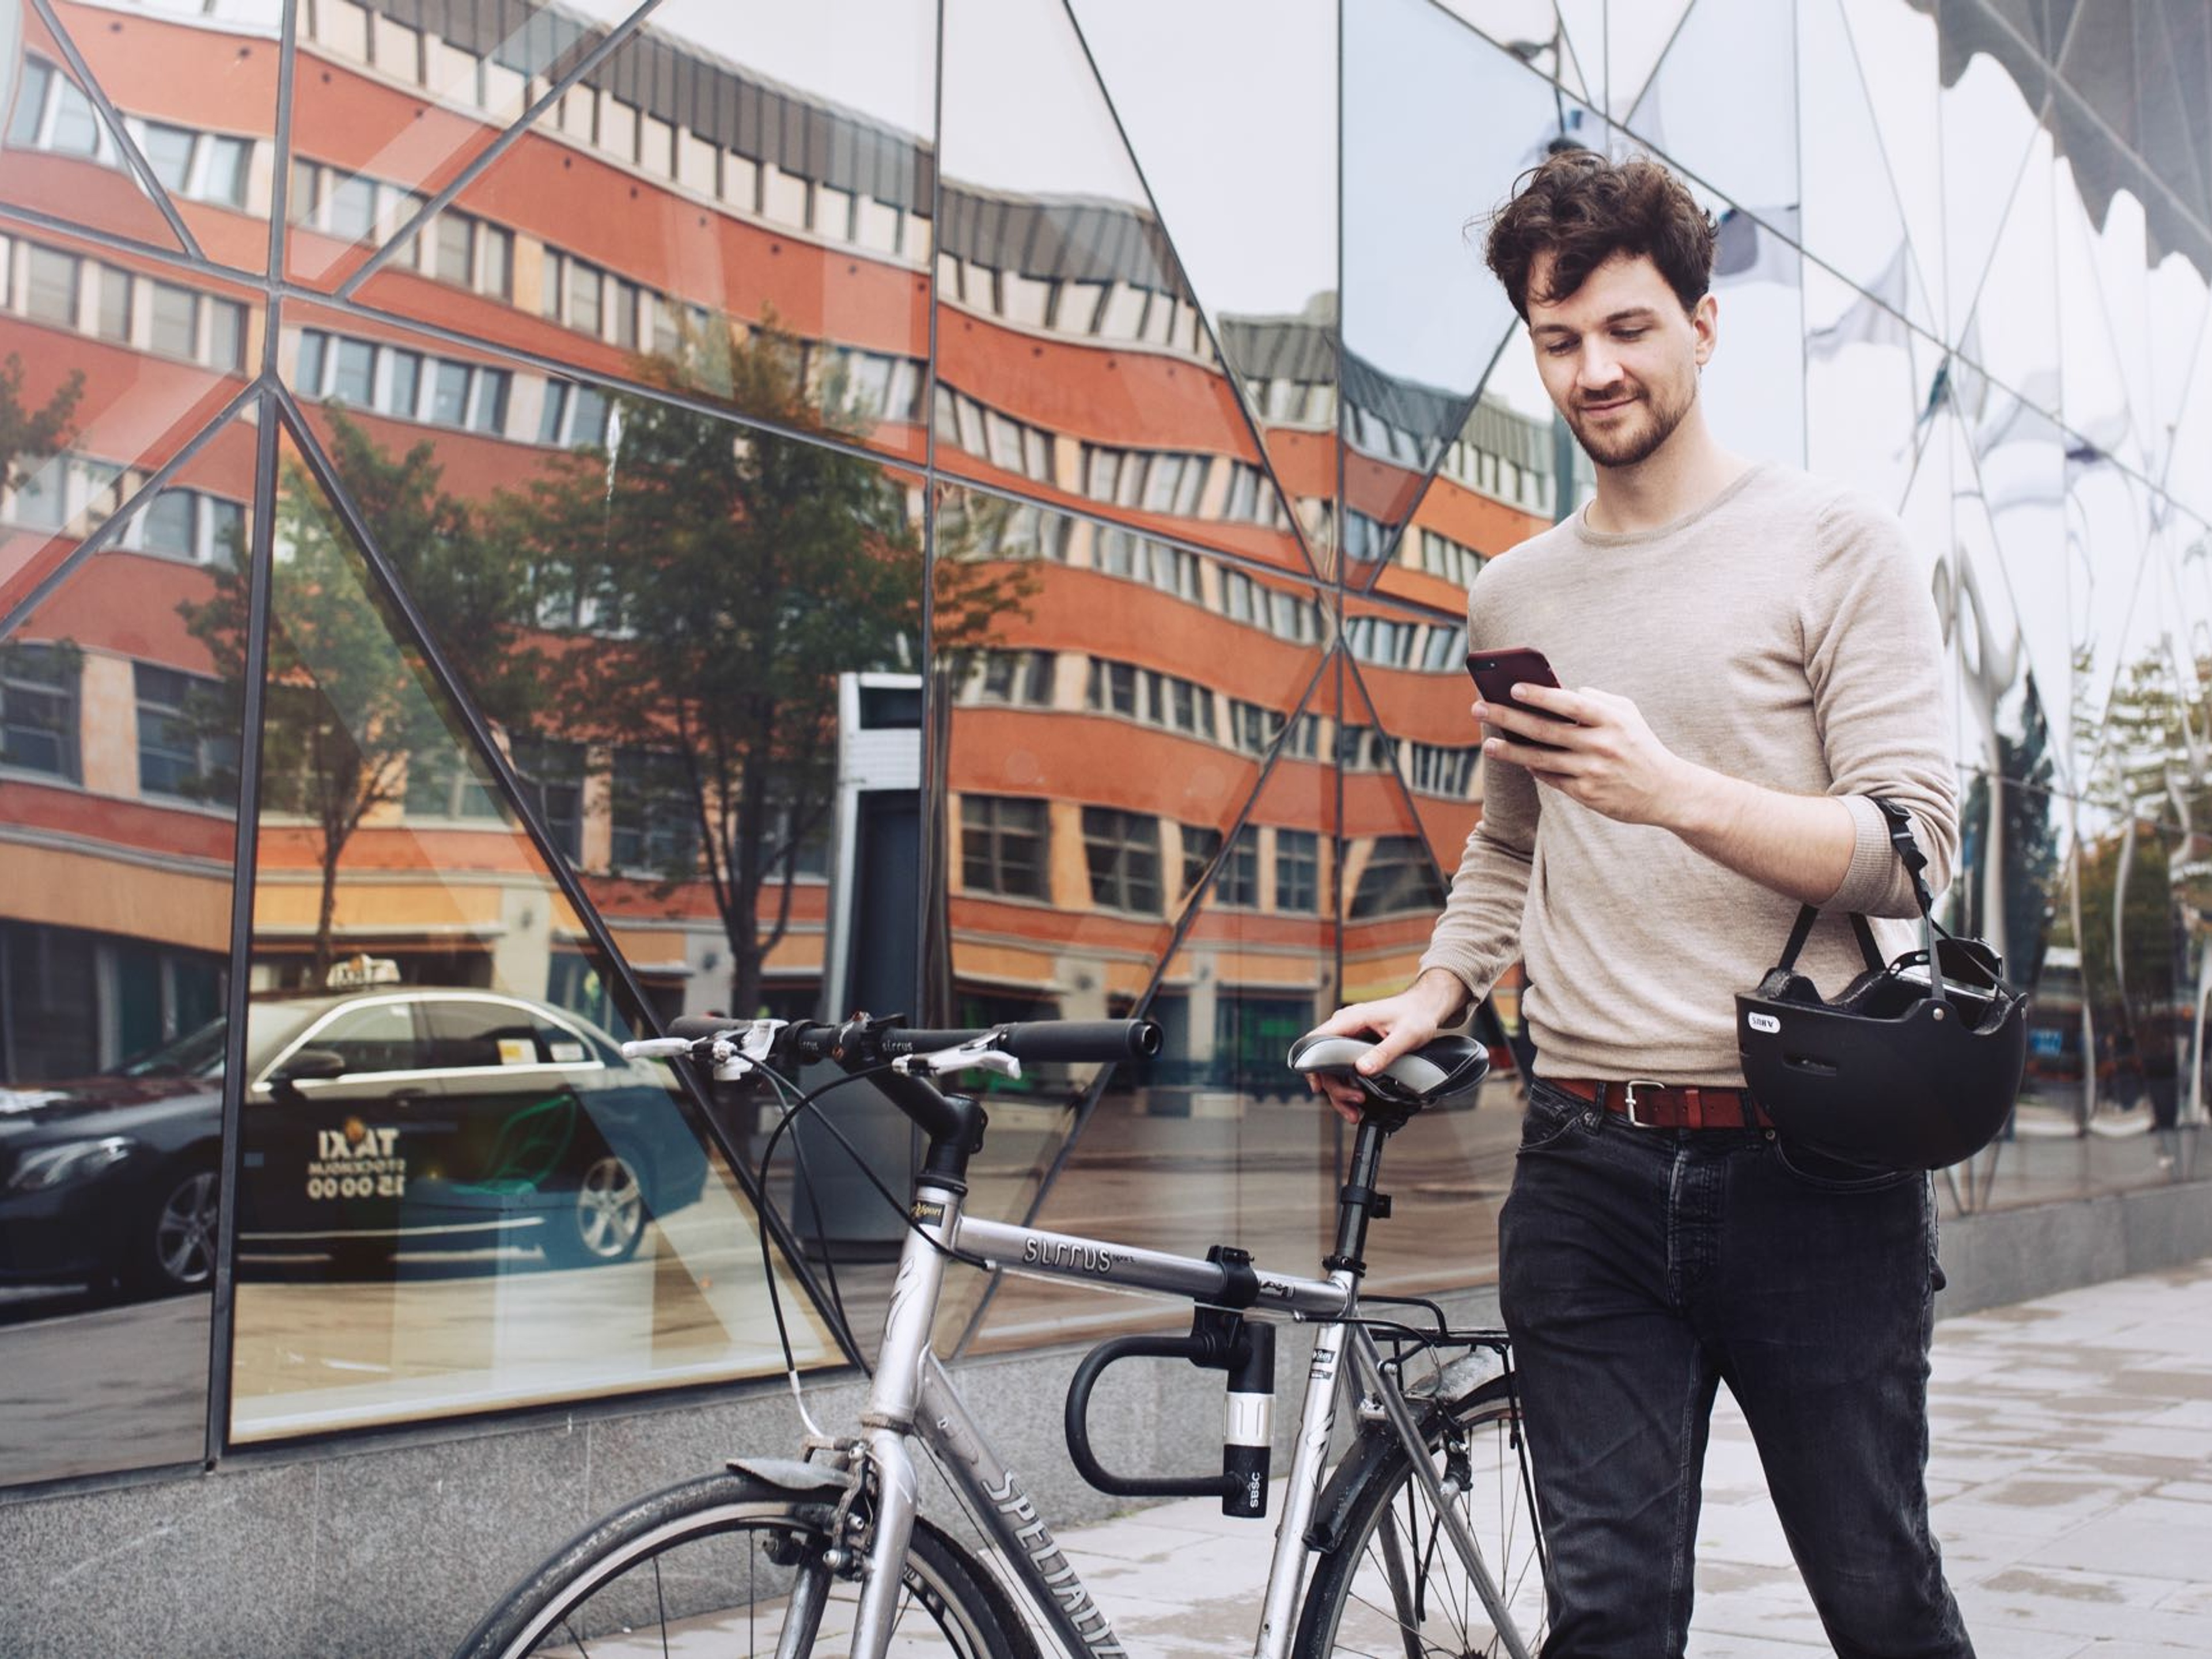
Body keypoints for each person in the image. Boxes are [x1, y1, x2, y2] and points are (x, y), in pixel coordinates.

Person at [1308, 150, 1973, 1657]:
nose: (1594, 371)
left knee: (1879, 1594)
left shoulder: (1836, 545)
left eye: (1625, 328)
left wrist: (1671, 788)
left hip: (1813, 1173)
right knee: (1605, 1615)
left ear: (1703, 325)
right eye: (1558, 341)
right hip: (1584, 1171)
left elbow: (1913, 852)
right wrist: (1437, 994)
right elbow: (1510, 848)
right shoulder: (1515, 594)